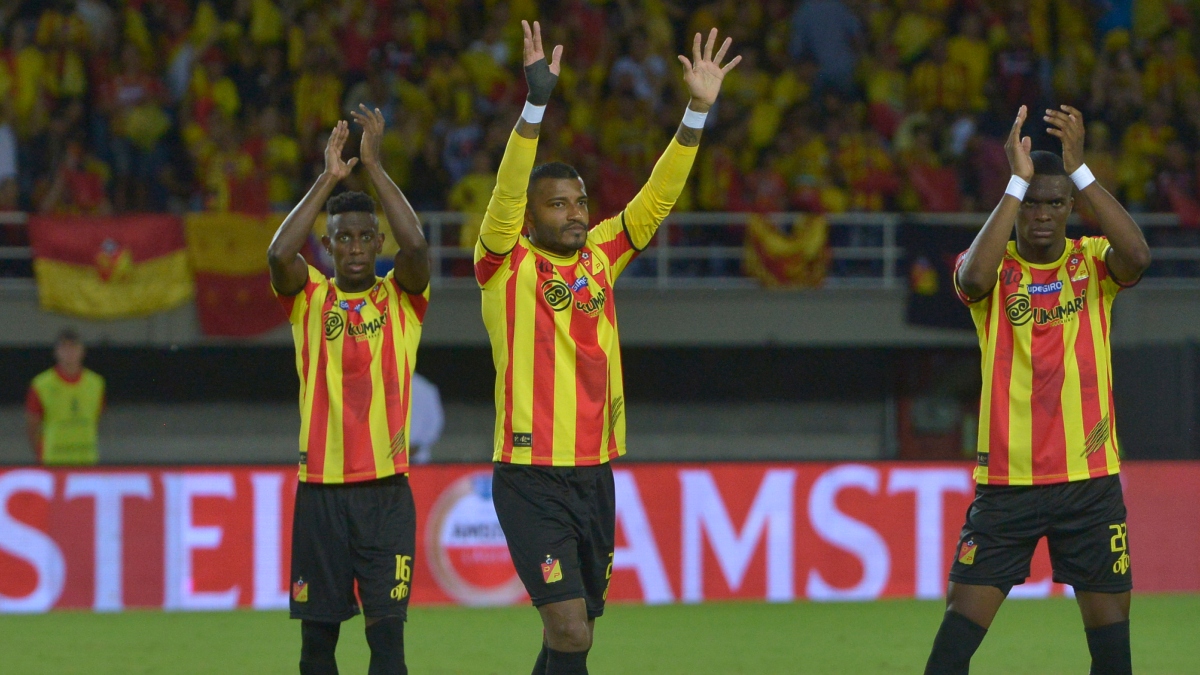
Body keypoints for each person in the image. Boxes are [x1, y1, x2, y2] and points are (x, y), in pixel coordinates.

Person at [475, 21, 739, 675]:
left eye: (580, 202)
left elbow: (658, 197)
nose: (574, 213)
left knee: (575, 633)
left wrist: (696, 111)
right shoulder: (503, 263)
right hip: (530, 475)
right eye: (557, 204)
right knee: (569, 630)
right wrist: (535, 106)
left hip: (595, 473)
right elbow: (506, 191)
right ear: (530, 217)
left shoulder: (602, 254)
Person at [924, 105, 1151, 675]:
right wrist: (1015, 182)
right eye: (1032, 203)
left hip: (1089, 483)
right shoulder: (993, 268)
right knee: (952, 647)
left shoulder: (1092, 261)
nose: (1043, 215)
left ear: (1071, 206)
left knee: (1113, 653)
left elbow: (1139, 257)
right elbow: (972, 279)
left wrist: (1081, 171)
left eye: (1054, 203)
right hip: (1008, 486)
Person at [267, 105, 430, 675]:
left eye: (365, 237)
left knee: (388, 647)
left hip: (387, 497)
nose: (356, 247)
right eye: (343, 238)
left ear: (378, 241)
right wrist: (329, 178)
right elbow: (278, 255)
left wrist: (374, 168)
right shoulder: (309, 298)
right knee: (317, 649)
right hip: (321, 496)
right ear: (328, 245)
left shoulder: (401, 298)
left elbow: (418, 249)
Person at [26, 328, 105, 465]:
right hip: (54, 461)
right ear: (56, 352)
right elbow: (32, 427)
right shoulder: (41, 385)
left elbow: (97, 420)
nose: (69, 352)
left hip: (87, 460)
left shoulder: (96, 384)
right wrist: (41, 455)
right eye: (64, 347)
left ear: (82, 351)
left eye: (73, 347)